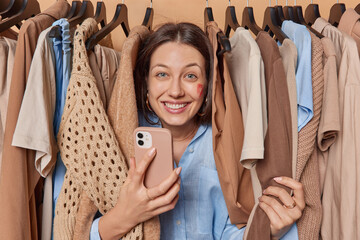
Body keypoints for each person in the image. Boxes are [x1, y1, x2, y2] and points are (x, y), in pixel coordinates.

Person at [96, 22, 305, 240]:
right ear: (145, 83)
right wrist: (125, 216)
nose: (175, 91)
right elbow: (74, 230)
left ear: (207, 85)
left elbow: (233, 230)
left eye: (190, 76)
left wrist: (269, 231)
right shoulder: (117, 139)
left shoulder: (227, 143)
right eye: (162, 75)